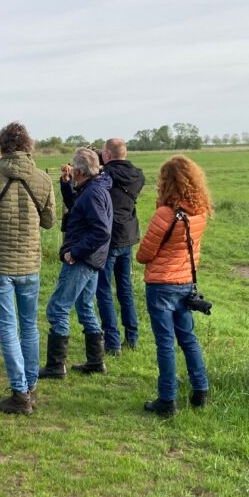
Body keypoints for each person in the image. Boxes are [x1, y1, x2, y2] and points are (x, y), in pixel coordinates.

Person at [0, 122, 56, 415]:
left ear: (1, 147)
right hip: (30, 263)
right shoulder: (43, 179)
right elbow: (49, 221)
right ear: (28, 146)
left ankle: (19, 393)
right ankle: (29, 387)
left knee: (8, 328)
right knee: (29, 326)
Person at [135, 155, 211, 417]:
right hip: (186, 282)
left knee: (165, 343)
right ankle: (201, 390)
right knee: (188, 338)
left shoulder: (165, 214)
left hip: (161, 284)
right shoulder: (200, 212)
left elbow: (144, 254)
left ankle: (167, 399)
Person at [39, 147, 113, 379]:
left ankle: (55, 366)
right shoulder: (93, 188)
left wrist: (75, 252)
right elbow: (77, 206)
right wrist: (66, 184)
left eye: (74, 168)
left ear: (81, 171)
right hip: (94, 259)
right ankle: (96, 362)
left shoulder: (92, 193)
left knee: (57, 308)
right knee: (84, 307)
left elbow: (101, 231)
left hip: (83, 259)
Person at [95, 139, 145, 354]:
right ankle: (132, 337)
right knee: (125, 289)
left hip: (109, 237)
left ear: (107, 154)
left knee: (104, 289)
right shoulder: (138, 174)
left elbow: (97, 186)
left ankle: (112, 341)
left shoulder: (106, 175)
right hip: (128, 235)